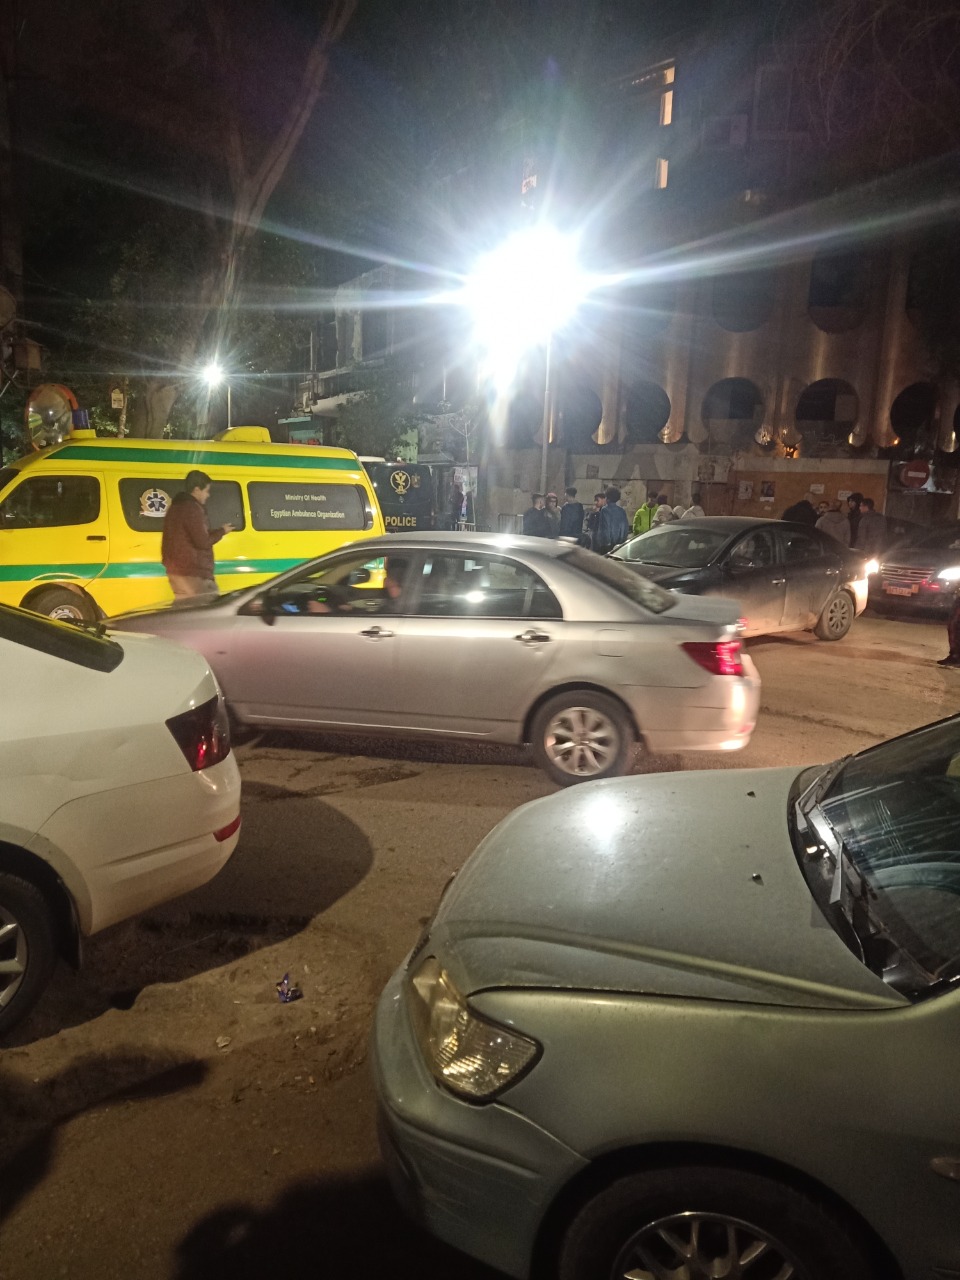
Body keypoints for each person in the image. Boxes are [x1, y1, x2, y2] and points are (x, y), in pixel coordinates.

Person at [161, 470, 234, 604]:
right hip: (194, 573)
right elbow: (202, 541)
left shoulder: (174, 508)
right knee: (208, 609)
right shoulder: (192, 509)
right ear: (196, 490)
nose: (208, 495)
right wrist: (222, 531)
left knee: (185, 610)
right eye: (206, 491)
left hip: (177, 572)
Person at [595, 486, 630, 554]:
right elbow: (625, 527)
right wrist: (622, 541)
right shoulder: (621, 510)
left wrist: (605, 543)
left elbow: (605, 528)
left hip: (607, 544)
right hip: (619, 544)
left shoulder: (605, 510)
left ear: (608, 498)